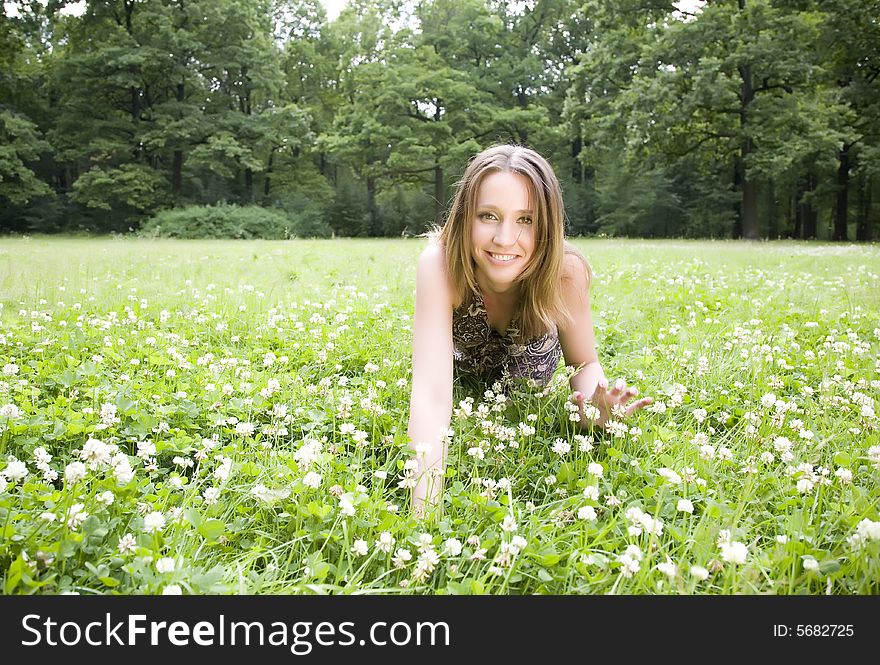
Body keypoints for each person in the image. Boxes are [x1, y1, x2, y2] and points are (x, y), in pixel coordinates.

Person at [407, 144, 652, 515]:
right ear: (464, 217)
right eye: (488, 216)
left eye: (526, 220)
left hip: (524, 387)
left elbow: (584, 364)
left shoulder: (565, 272)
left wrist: (594, 410)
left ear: (548, 225)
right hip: (464, 371)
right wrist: (424, 511)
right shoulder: (440, 264)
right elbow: (430, 394)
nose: (505, 239)